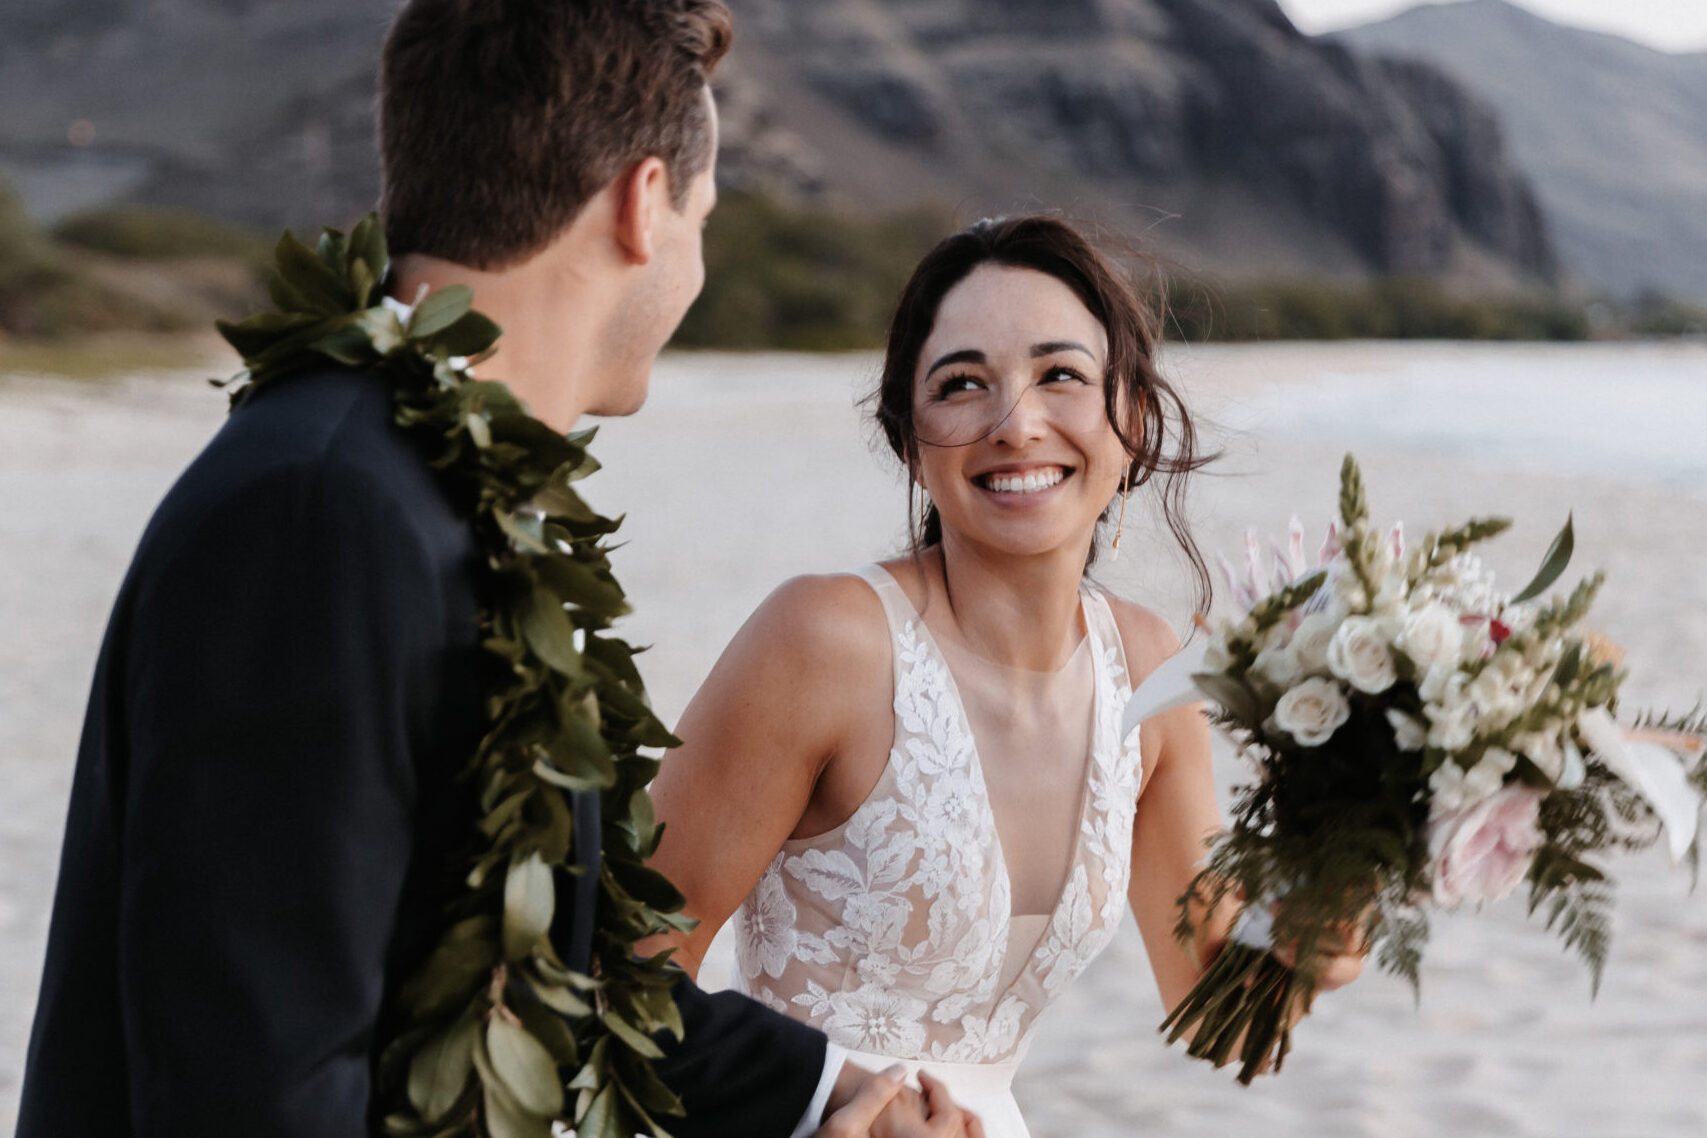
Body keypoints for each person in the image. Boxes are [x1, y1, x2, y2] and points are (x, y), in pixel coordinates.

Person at [15, 2, 971, 1136]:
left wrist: (831, 1097)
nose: (698, 260)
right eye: (702, 220)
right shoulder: (324, 511)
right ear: (641, 203)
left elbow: (538, 974)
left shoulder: (434, 492)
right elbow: (258, 1080)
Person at [642, 216, 1368, 1136]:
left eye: (1060, 374)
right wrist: (832, 1104)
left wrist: (1327, 903)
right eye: (961, 384)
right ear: (910, 437)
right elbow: (618, 971)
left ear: (1132, 416)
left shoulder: (1153, 673)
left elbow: (1218, 1014)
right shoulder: (824, 641)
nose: (1015, 423)